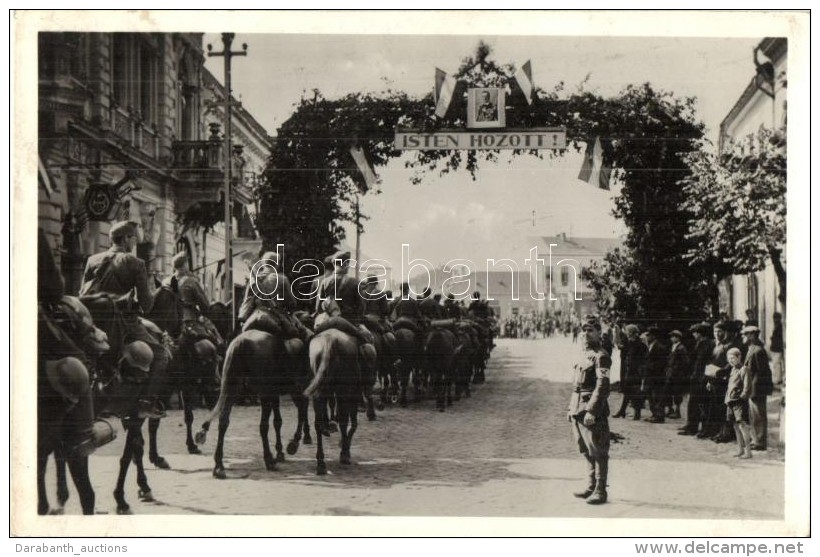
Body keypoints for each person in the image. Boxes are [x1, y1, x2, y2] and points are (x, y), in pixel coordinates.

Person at [79, 221, 167, 418]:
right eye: (134, 237)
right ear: (126, 238)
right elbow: (147, 305)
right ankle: (147, 403)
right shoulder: (135, 263)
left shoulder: (92, 259)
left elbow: (82, 293)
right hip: (123, 323)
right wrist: (151, 291)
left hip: (94, 322)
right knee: (161, 355)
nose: (135, 241)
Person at [567, 316, 612, 505]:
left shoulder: (601, 356)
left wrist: (592, 411)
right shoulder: (583, 354)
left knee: (598, 449)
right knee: (585, 449)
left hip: (592, 409)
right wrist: (571, 408)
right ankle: (591, 485)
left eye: (590, 330)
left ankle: (601, 490)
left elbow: (602, 386)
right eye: (583, 330)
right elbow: (576, 385)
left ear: (599, 333)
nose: (586, 334)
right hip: (577, 407)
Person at [314, 251, 377, 371]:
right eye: (348, 263)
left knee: (311, 338)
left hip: (328, 321)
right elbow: (361, 308)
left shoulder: (325, 282)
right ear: (346, 264)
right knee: (369, 340)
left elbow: (317, 308)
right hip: (349, 322)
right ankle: (370, 379)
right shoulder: (354, 282)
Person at [171, 252, 224, 355]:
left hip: (171, 321)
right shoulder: (191, 281)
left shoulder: (167, 281)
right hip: (189, 321)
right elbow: (204, 305)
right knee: (215, 337)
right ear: (185, 264)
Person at [740, 325, 773, 450]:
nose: (746, 337)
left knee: (758, 415)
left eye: (748, 334)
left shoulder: (758, 350)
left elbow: (762, 372)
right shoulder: (752, 348)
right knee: (753, 416)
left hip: (757, 388)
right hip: (752, 387)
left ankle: (760, 442)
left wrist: (754, 389)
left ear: (754, 335)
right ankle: (756, 440)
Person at [679, 323, 714, 436]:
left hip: (700, 377)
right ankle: (691, 425)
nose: (693, 335)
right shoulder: (702, 343)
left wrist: (697, 376)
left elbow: (701, 362)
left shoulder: (705, 343)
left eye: (695, 332)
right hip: (698, 375)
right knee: (694, 402)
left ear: (699, 333)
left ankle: (693, 427)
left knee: (697, 402)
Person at [612, 324, 646, 420]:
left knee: (636, 393)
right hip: (630, 371)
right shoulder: (630, 343)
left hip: (637, 372)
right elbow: (621, 348)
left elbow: (643, 359)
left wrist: (641, 371)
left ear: (632, 333)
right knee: (627, 391)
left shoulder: (640, 344)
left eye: (627, 332)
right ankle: (622, 411)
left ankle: (637, 413)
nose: (626, 334)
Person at [725, 347, 753, 459]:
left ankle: (748, 452)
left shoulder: (744, 369)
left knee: (742, 426)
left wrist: (741, 398)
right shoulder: (733, 369)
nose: (731, 360)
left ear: (739, 357)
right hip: (730, 402)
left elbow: (747, 388)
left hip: (739, 402)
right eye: (729, 359)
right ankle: (740, 450)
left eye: (733, 358)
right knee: (735, 426)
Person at [643, 327, 669, 423]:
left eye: (649, 335)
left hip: (657, 376)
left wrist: (649, 366)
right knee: (651, 396)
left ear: (654, 336)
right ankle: (654, 414)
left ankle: (659, 416)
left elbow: (662, 363)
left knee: (657, 396)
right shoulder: (651, 346)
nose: (647, 337)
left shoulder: (659, 347)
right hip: (650, 375)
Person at [664, 330, 689, 419]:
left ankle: (677, 411)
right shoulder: (673, 347)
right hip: (670, 373)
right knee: (668, 391)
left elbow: (685, 362)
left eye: (673, 336)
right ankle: (670, 409)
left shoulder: (681, 348)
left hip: (677, 374)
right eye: (671, 337)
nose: (671, 338)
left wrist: (677, 369)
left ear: (678, 337)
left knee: (677, 392)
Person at [770, 312, 785, 387]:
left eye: (776, 318)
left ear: (779, 318)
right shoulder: (777, 326)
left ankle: (778, 379)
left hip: (777, 348)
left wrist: (772, 338)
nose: (774, 319)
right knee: (776, 364)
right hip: (775, 348)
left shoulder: (779, 326)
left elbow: (778, 338)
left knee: (777, 363)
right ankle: (777, 378)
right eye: (774, 318)